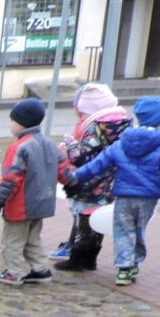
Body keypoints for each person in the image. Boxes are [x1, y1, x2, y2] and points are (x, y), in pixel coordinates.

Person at [66, 96, 160, 287]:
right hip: (148, 199)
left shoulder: (121, 144)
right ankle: (134, 262)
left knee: (123, 231)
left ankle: (124, 267)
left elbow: (98, 164)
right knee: (139, 230)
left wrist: (74, 177)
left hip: (123, 197)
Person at [51, 82, 129, 272]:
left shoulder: (95, 127)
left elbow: (81, 156)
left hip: (90, 181)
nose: (83, 117)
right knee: (98, 220)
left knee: (84, 222)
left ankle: (77, 259)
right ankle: (91, 258)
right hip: (109, 181)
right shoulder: (119, 126)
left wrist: (70, 145)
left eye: (84, 113)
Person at [0, 99, 60, 285]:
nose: (10, 124)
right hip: (42, 203)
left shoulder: (19, 148)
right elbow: (64, 167)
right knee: (32, 239)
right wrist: (72, 183)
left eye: (12, 120)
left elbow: (11, 179)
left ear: (23, 123)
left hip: (21, 205)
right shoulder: (50, 144)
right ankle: (41, 269)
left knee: (12, 241)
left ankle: (14, 272)